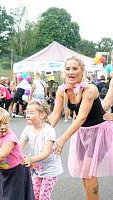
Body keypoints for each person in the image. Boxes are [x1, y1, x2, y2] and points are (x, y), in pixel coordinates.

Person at [49, 55, 113, 200]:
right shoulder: (62, 90)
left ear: (82, 70)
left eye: (75, 68)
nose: (71, 72)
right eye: (68, 69)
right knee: (84, 175)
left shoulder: (90, 89)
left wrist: (62, 139)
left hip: (99, 132)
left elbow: (81, 117)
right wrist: (42, 133)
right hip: (82, 132)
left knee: (88, 173)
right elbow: (54, 115)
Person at [19, 100, 63, 200]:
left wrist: (30, 160)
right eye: (27, 112)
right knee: (34, 194)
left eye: (31, 113)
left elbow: (46, 153)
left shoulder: (49, 131)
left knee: (43, 196)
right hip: (36, 169)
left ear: (42, 115)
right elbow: (18, 146)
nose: (27, 115)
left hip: (50, 169)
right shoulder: (28, 129)